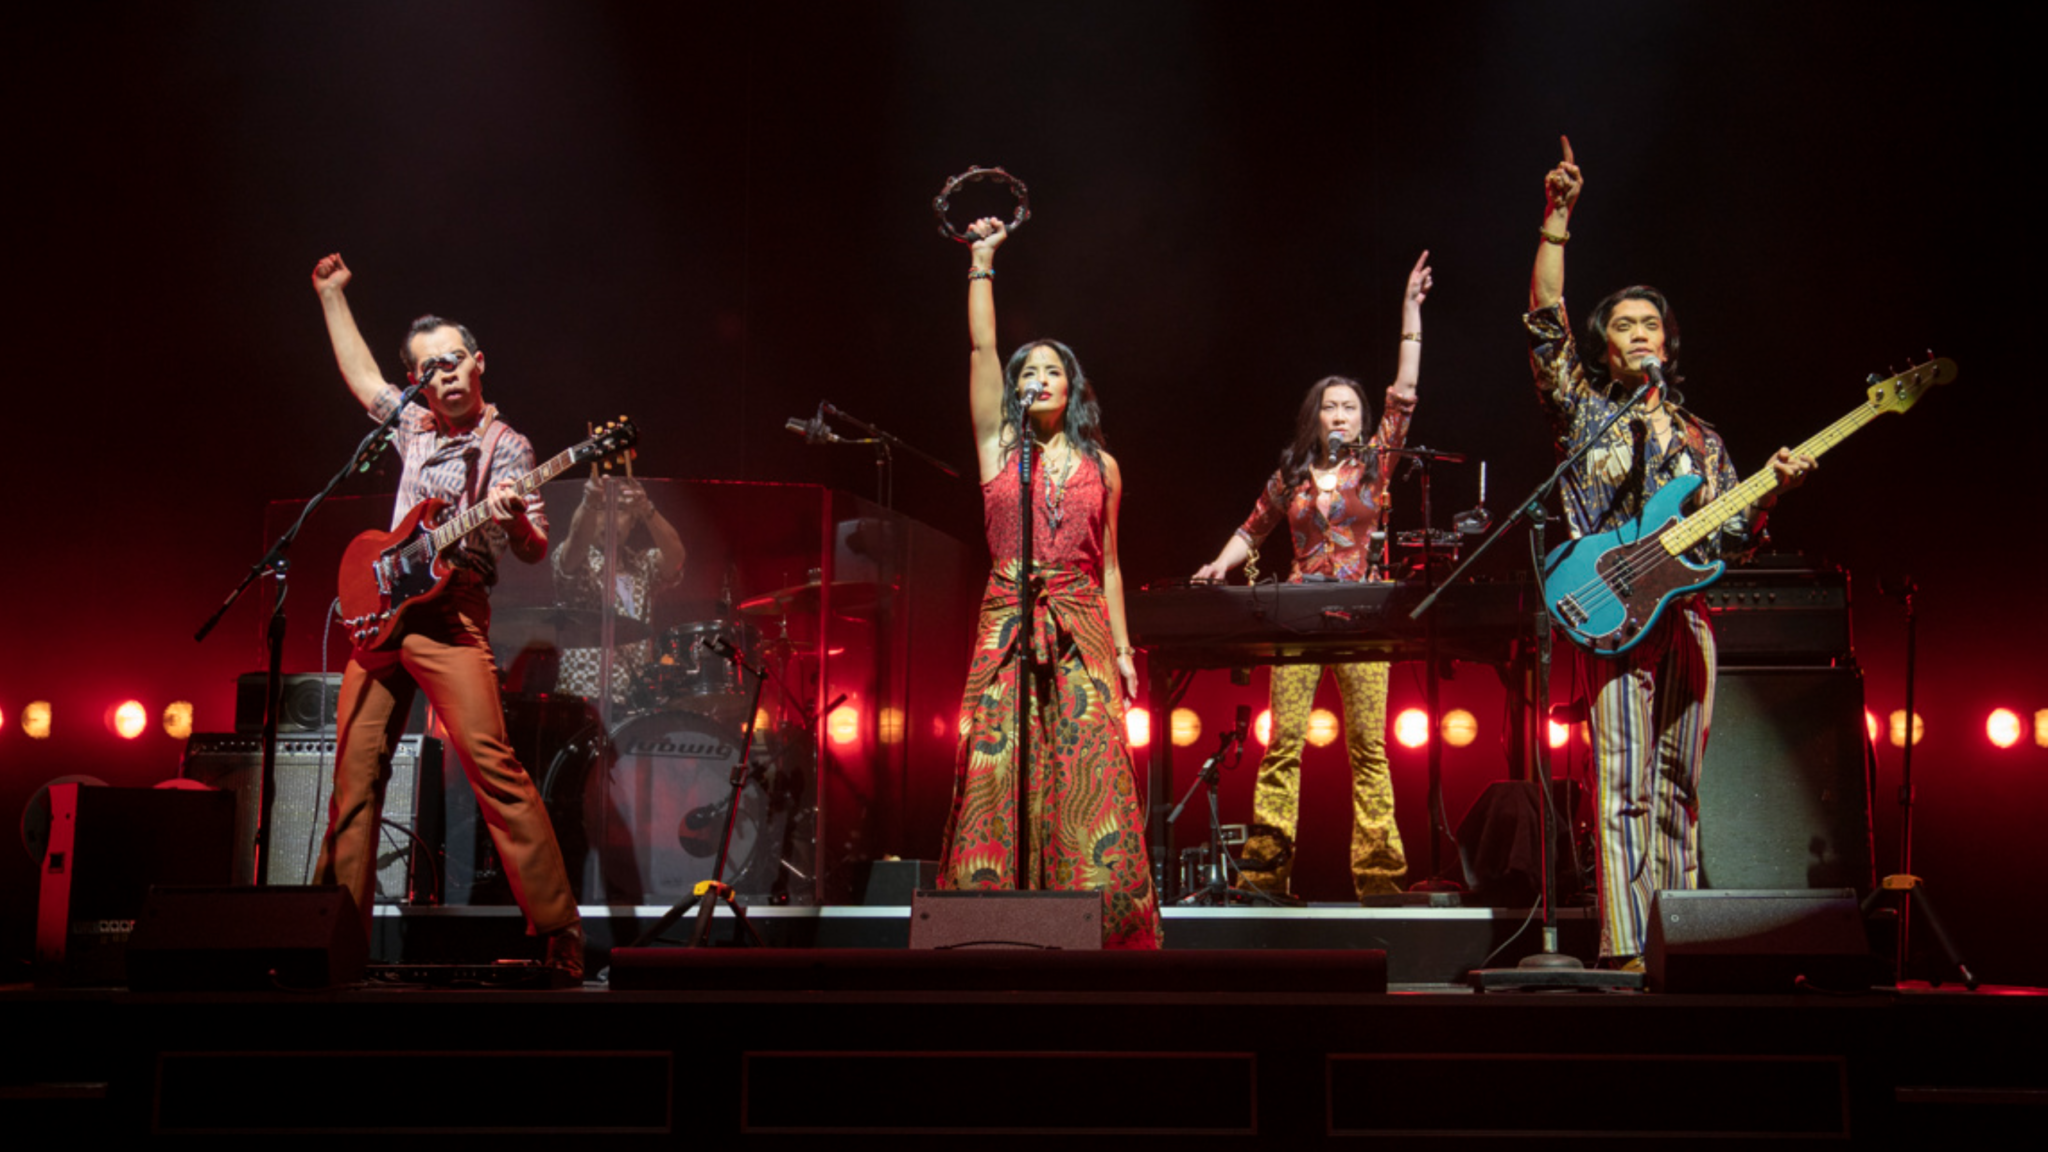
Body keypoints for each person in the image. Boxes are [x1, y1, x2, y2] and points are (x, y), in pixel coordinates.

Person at [1526, 138, 1813, 966]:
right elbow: (1544, 326)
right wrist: (1557, 221)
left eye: (1653, 324)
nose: (1641, 333)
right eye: (1625, 324)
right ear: (1605, 346)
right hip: (1612, 613)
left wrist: (1771, 493)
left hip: (1687, 616)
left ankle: (1675, 940)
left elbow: (1729, 539)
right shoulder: (1586, 413)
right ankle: (1624, 946)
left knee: (1678, 788)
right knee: (1618, 787)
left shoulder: (1701, 439)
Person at [309, 253, 584, 978]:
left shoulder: (509, 447)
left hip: (451, 618)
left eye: (456, 360)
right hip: (382, 620)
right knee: (354, 782)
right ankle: (329, 943)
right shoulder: (414, 429)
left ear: (479, 362)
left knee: (493, 768)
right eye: (430, 369)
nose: (446, 375)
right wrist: (332, 296)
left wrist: (512, 519)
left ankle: (559, 935)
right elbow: (364, 378)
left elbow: (531, 549)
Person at [936, 217, 1161, 949]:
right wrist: (982, 261)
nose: (1035, 380)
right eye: (1026, 372)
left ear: (1074, 387)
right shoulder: (998, 445)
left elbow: (1113, 564)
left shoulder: (1106, 466)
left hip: (1083, 620)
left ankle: (1095, 913)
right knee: (1000, 754)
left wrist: (1124, 651)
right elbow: (981, 347)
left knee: (1086, 760)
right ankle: (991, 911)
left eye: (1050, 371)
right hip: (1008, 616)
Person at [1194, 252, 1434, 901]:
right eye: (1330, 408)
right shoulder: (1292, 476)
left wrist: (1410, 314)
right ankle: (1268, 876)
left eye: (1350, 408)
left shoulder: (1376, 468)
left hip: (1362, 614)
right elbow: (1253, 527)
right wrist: (1219, 564)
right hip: (1299, 614)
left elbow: (1404, 397)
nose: (1340, 417)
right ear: (1315, 416)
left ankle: (1380, 880)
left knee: (1369, 747)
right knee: (1283, 745)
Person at [551, 473, 686, 706]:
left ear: (633, 521)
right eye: (602, 508)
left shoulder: (642, 565)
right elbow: (576, 540)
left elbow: (676, 557)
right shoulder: (577, 560)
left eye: (621, 509)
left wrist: (647, 509)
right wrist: (588, 502)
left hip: (635, 700)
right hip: (583, 698)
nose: (611, 517)